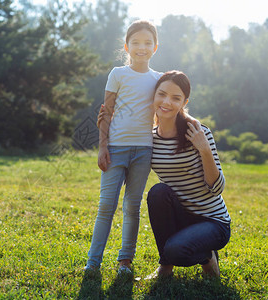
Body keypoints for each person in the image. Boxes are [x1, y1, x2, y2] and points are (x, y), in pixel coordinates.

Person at [85, 19, 161, 273]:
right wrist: (102, 147)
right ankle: (93, 262)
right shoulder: (117, 74)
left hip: (144, 151)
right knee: (106, 206)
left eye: (147, 43)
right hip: (115, 149)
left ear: (155, 47)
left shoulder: (158, 80)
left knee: (132, 206)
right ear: (126, 46)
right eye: (136, 42)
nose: (142, 47)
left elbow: (166, 112)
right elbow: (105, 114)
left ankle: (124, 261)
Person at [146, 70, 231, 278]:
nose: (167, 102)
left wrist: (204, 149)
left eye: (176, 98)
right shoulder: (150, 139)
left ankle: (208, 257)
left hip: (212, 221)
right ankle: (165, 267)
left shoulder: (198, 132)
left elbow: (217, 188)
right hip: (181, 216)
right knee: (158, 192)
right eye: (162, 94)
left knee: (176, 251)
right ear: (154, 95)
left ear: (184, 102)